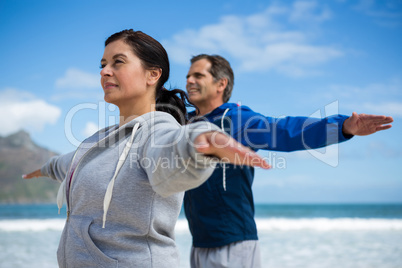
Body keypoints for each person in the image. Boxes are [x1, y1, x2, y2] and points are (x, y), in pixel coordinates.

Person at [22, 31, 270, 268]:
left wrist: (200, 142)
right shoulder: (99, 140)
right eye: (103, 64)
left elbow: (172, 150)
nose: (105, 71)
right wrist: (42, 170)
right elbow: (68, 163)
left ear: (152, 75)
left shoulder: (156, 131)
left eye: (118, 62)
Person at [184, 54, 394, 268]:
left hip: (233, 243)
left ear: (221, 84)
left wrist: (343, 127)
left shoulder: (238, 119)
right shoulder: (185, 123)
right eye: (188, 76)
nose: (189, 81)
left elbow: (287, 130)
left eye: (198, 75)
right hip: (198, 243)